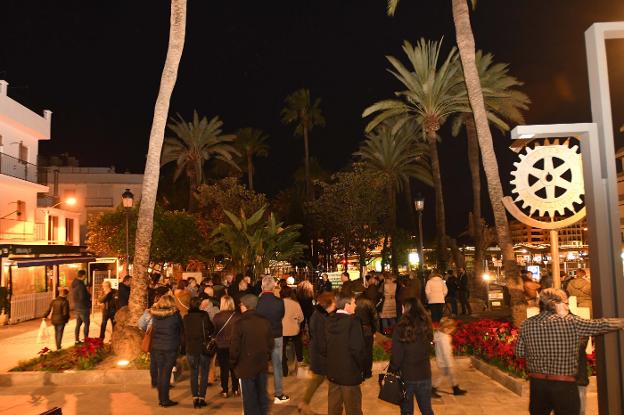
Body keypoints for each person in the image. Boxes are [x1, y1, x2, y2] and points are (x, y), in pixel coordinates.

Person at [515, 288, 624, 415]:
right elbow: (600, 324)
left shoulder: (526, 324)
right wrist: (621, 322)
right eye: (566, 303)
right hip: (564, 386)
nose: (568, 307)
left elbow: (520, 352)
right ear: (555, 304)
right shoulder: (571, 322)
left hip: (537, 385)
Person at [230, 294, 274, 415]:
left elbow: (234, 348)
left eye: (241, 304)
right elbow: (271, 343)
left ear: (246, 306)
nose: (240, 306)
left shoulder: (239, 323)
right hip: (261, 364)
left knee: (250, 399)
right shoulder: (265, 322)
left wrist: (233, 363)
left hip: (246, 366)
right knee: (262, 395)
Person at [390, 297, 435, 415]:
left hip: (407, 375)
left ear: (406, 308)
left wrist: (393, 368)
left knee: (406, 410)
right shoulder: (427, 325)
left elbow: (397, 354)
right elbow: (429, 346)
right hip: (424, 373)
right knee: (426, 409)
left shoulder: (400, 327)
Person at [325, 293, 365, 415]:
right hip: (349, 374)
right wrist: (362, 369)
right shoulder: (353, 322)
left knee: (334, 408)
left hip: (333, 373)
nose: (355, 305)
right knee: (353, 409)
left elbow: (324, 346)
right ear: (347, 305)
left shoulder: (329, 320)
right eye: (353, 303)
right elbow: (357, 349)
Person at [299, 292, 336, 415]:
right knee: (327, 380)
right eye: (334, 301)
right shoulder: (319, 318)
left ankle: (304, 403)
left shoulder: (321, 315)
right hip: (320, 355)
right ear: (328, 304)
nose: (336, 304)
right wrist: (329, 353)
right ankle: (305, 403)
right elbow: (321, 340)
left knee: (318, 379)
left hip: (319, 353)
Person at [256, 276, 289, 404]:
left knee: (260, 365)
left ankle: (260, 394)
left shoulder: (257, 302)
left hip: (261, 336)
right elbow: (281, 316)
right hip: (276, 335)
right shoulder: (279, 302)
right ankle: (278, 394)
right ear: (274, 287)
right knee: (277, 365)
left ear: (262, 287)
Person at [150, 294, 183, 408]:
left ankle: (162, 398)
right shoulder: (175, 315)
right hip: (170, 347)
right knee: (166, 373)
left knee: (161, 372)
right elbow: (181, 330)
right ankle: (164, 400)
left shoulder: (155, 315)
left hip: (157, 347)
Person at [183, 296, 214, 408]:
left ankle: (195, 398)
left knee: (194, 374)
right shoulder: (204, 315)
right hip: (202, 348)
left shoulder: (186, 317)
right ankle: (202, 398)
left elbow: (184, 333)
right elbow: (211, 328)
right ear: (199, 305)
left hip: (191, 348)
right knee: (204, 373)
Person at [213, 295, 241, 398]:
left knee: (223, 369)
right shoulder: (237, 316)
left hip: (221, 345)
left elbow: (214, 331)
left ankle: (224, 390)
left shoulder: (217, 316)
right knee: (234, 368)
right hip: (234, 345)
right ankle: (235, 389)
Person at [432, 317, 467, 396]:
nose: (452, 332)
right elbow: (445, 352)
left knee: (450, 374)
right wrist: (449, 363)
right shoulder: (444, 338)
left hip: (443, 360)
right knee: (443, 374)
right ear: (446, 329)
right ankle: (434, 388)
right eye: (451, 330)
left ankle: (455, 388)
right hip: (445, 361)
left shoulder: (440, 336)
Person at [354, 291, 379, 379]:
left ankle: (359, 372)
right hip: (367, 330)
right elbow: (375, 318)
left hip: (355, 330)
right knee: (368, 352)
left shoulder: (353, 302)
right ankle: (367, 373)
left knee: (357, 351)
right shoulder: (369, 302)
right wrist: (374, 330)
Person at [281, 286, 304, 376]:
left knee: (281, 350)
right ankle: (299, 359)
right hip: (294, 330)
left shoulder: (279, 303)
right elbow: (301, 318)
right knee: (298, 343)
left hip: (282, 330)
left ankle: (284, 370)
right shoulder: (295, 304)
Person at [71, 270, 91, 344]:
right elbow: (83, 297)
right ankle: (86, 339)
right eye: (85, 276)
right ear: (83, 276)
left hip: (77, 307)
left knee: (78, 324)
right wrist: (89, 296)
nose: (85, 277)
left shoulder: (74, 284)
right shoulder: (81, 285)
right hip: (84, 308)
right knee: (87, 323)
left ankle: (76, 340)